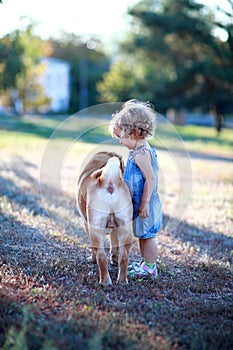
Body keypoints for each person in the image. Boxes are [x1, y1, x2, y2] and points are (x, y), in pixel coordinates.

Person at [110, 99, 162, 278]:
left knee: (147, 236)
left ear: (133, 133)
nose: (120, 141)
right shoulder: (137, 151)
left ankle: (150, 267)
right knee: (142, 234)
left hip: (145, 204)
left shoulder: (141, 154)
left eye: (121, 137)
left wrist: (145, 203)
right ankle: (146, 263)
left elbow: (150, 178)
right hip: (139, 202)